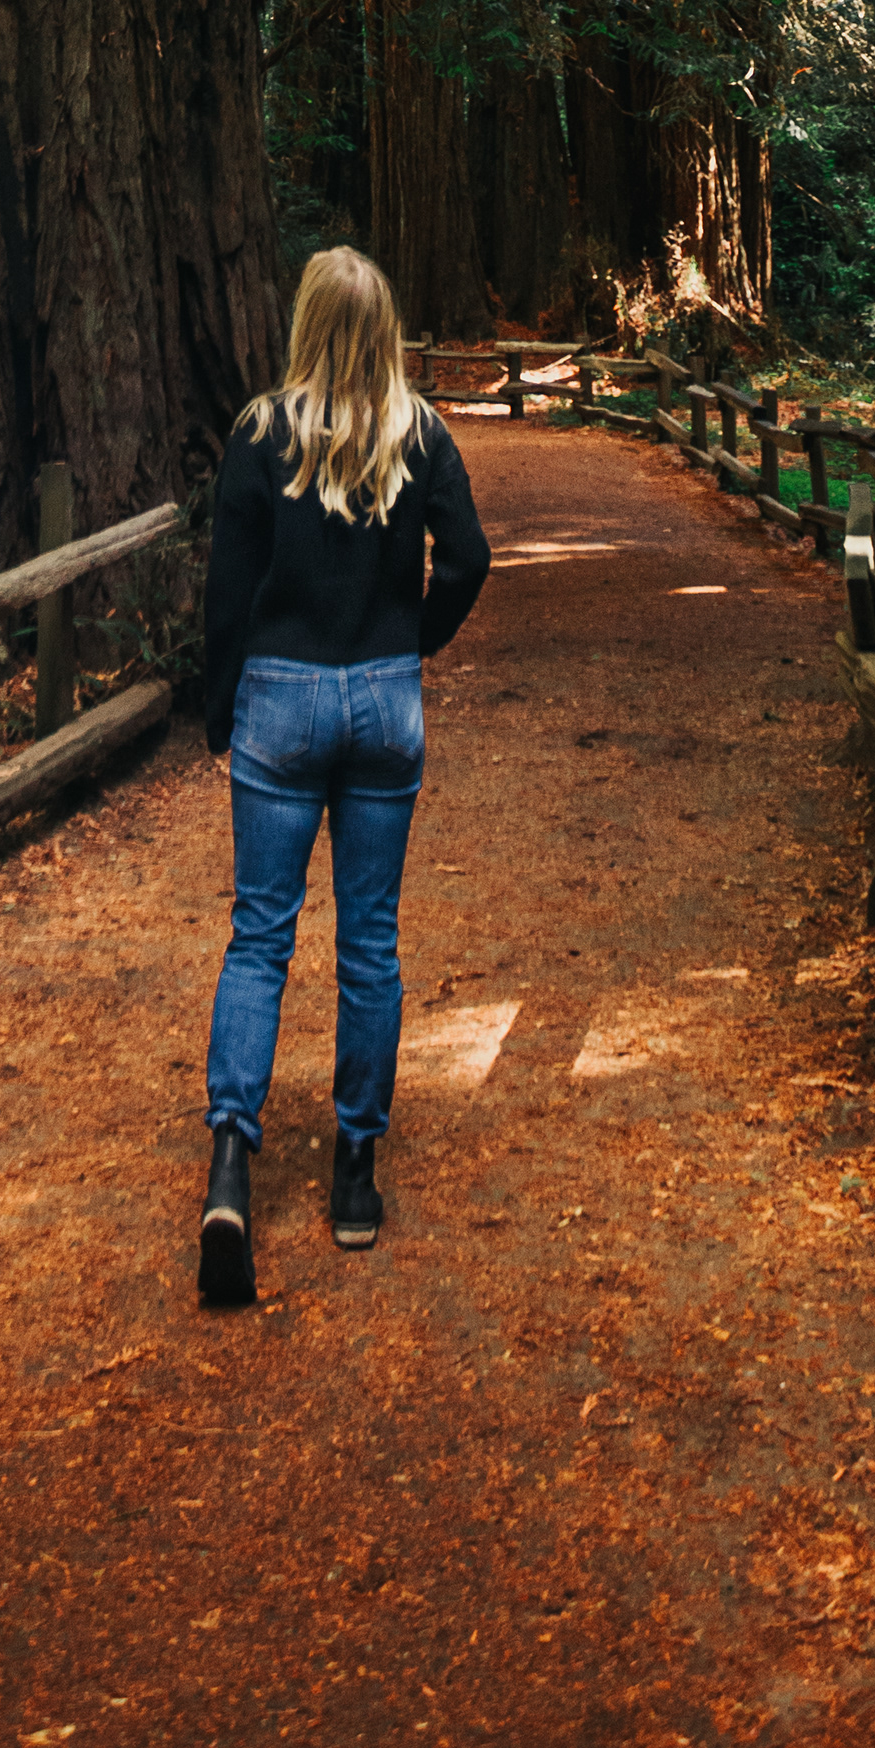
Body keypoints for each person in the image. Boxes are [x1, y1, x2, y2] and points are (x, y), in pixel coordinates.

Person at [195, 243, 492, 1307]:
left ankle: (233, 1162)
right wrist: (413, 642)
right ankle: (354, 1174)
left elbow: (229, 591)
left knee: (260, 933)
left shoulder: (260, 437)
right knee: (370, 938)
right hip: (382, 700)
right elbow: (469, 560)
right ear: (385, 330)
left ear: (308, 323)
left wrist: (217, 703)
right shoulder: (422, 435)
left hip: (278, 698)